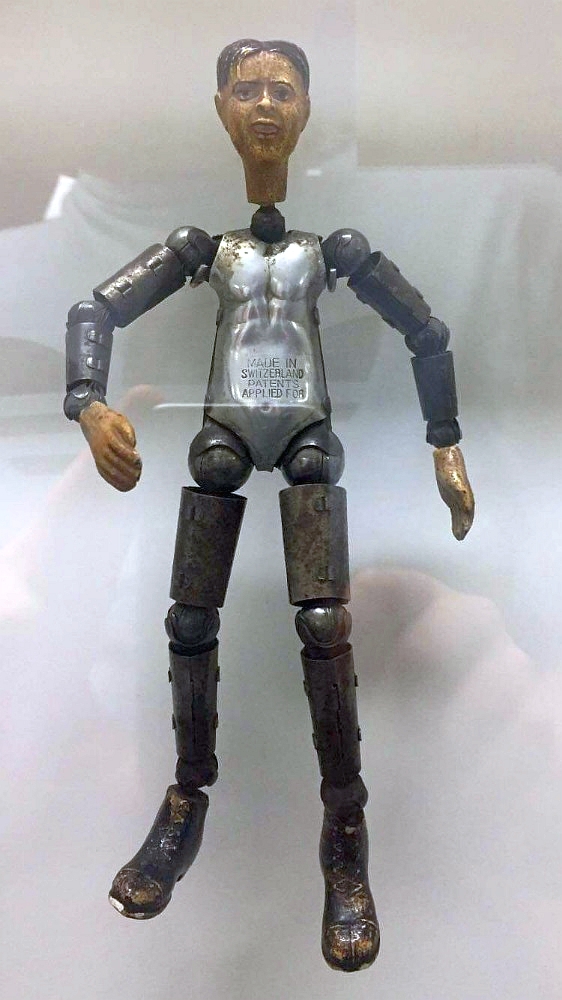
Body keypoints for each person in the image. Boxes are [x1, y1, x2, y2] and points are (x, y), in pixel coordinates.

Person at [63, 38, 474, 973]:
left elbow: (426, 331)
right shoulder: (204, 250)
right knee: (188, 618)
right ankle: (185, 798)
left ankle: (345, 834)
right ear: (219, 108)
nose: (262, 104)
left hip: (305, 436)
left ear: (305, 110)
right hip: (222, 432)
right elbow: (97, 310)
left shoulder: (334, 253)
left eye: (280, 89)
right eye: (244, 88)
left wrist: (444, 440)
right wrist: (88, 402)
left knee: (326, 621)